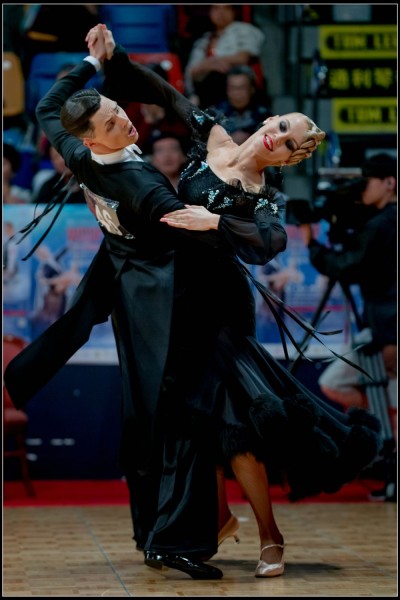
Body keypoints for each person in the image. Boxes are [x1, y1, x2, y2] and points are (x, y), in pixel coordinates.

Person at [94, 26, 382, 577]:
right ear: (269, 120)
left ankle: (271, 537)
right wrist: (115, 58)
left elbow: (271, 243)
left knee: (234, 430)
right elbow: (165, 92)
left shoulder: (262, 194)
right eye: (283, 126)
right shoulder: (215, 137)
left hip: (220, 313)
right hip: (177, 303)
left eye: (291, 142)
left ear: (290, 159)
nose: (280, 138)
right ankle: (221, 517)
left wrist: (216, 222)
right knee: (190, 423)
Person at [299, 153, 397, 500]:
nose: (362, 190)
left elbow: (347, 265)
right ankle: (385, 450)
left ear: (389, 183)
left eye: (367, 182)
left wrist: (311, 242)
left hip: (387, 330)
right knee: (345, 384)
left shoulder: (384, 224)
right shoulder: (381, 220)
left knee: (361, 387)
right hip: (381, 326)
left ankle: (389, 461)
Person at [184, 4, 265, 108]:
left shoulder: (245, 30)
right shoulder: (204, 39)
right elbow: (192, 72)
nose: (221, 13)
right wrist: (209, 64)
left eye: (226, 8)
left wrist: (214, 62)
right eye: (216, 8)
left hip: (237, 89)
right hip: (206, 93)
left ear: (233, 11)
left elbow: (243, 57)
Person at [210, 64, 272, 144]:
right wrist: (229, 140)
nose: (237, 93)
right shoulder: (214, 115)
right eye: (233, 88)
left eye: (242, 88)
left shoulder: (264, 115)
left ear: (252, 89)